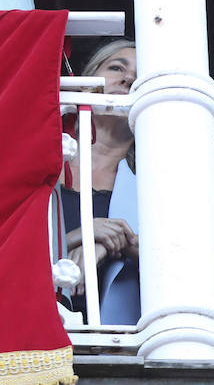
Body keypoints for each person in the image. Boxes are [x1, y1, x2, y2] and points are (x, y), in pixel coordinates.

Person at [59, 39, 139, 321]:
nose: (128, 79)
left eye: (141, 79)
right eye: (117, 67)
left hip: (114, 349)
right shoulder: (41, 164)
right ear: (85, 86)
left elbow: (178, 256)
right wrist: (81, 235)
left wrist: (110, 242)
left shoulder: (152, 184)